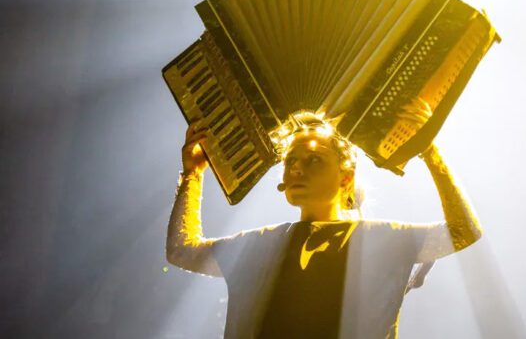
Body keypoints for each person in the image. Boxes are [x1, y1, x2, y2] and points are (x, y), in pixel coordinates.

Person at [166, 104, 483, 338]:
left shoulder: (383, 239)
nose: (297, 169)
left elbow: (463, 230)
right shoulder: (258, 244)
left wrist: (430, 152)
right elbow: (181, 251)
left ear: (345, 178)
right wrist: (193, 173)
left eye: (313, 160)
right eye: (291, 161)